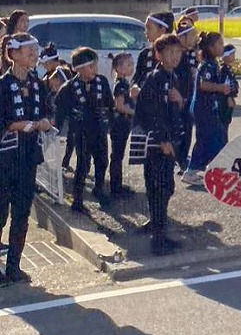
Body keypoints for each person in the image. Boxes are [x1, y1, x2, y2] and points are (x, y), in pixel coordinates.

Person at [0, 34, 52, 285]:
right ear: (14, 54)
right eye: (29, 50)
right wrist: (27, 125)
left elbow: (50, 114)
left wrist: (43, 123)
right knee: (0, 213)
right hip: (4, 159)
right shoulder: (2, 84)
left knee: (21, 214)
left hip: (28, 158)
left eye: (35, 50)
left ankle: (14, 266)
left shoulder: (38, 84)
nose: (34, 54)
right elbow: (6, 123)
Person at [132, 33, 185, 256]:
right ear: (158, 55)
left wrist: (179, 100)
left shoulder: (171, 77)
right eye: (170, 52)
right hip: (156, 142)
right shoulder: (156, 78)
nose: (175, 56)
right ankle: (158, 240)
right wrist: (162, 140)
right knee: (160, 187)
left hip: (167, 139)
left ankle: (158, 228)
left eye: (178, 52)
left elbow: (173, 109)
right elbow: (152, 112)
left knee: (163, 187)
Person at [63, 47, 114, 215]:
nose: (95, 70)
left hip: (99, 128)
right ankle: (77, 199)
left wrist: (111, 122)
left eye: (95, 66)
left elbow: (109, 103)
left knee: (102, 161)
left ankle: (99, 189)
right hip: (82, 131)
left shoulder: (102, 81)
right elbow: (59, 106)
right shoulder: (70, 86)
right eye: (91, 66)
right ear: (79, 69)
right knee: (83, 165)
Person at [189, 31, 230, 173]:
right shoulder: (207, 65)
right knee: (205, 139)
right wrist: (220, 88)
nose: (222, 47)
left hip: (209, 108)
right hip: (203, 109)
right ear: (211, 47)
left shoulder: (213, 64)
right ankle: (192, 170)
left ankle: (213, 169)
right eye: (220, 44)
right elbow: (203, 84)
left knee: (216, 137)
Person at [173, 16, 200, 173]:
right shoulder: (176, 54)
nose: (194, 39)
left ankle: (182, 160)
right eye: (192, 36)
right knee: (179, 129)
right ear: (181, 37)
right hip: (177, 97)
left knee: (188, 129)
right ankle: (178, 159)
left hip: (189, 97)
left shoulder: (191, 53)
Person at [109, 52, 136, 198]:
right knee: (117, 155)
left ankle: (118, 184)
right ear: (118, 68)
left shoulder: (125, 82)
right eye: (128, 64)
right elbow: (119, 106)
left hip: (124, 123)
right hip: (119, 123)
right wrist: (133, 112)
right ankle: (115, 187)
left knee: (119, 154)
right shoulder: (120, 84)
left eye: (132, 64)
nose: (132, 67)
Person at [219, 43, 239, 130]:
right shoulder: (224, 70)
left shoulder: (229, 69)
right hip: (225, 101)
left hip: (230, 99)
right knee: (224, 122)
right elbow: (225, 86)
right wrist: (229, 97)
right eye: (232, 54)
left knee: (227, 122)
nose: (234, 56)